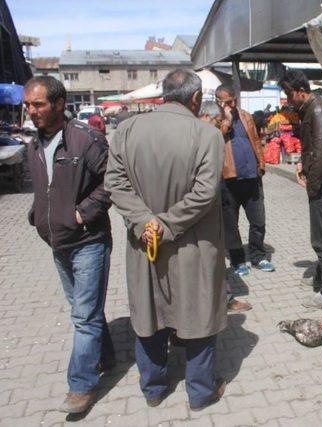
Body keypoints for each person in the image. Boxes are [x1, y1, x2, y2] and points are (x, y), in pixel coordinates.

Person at [105, 69, 227, 411]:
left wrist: (146, 222)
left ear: (163, 95)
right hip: (193, 243)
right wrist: (166, 223)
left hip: (144, 242)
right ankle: (200, 392)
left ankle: (154, 389)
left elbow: (114, 183)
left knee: (149, 311)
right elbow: (205, 194)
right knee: (200, 310)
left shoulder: (127, 130)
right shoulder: (207, 134)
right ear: (194, 98)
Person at [23, 76, 115, 414]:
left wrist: (83, 213)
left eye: (39, 104)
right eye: (28, 105)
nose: (31, 111)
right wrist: (38, 214)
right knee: (84, 309)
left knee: (83, 316)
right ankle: (105, 356)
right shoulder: (34, 144)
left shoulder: (86, 139)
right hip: (57, 241)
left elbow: (114, 180)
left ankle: (81, 385)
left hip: (88, 240)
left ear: (59, 104)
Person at [278, 70, 322, 309]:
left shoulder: (317, 110)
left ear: (301, 91)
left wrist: (312, 187)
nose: (287, 99)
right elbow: (314, 149)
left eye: (288, 93)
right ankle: (321, 277)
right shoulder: (313, 109)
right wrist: (301, 163)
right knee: (321, 238)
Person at [214, 84, 274, 276]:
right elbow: (213, 140)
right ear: (219, 101)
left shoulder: (246, 115)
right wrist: (227, 121)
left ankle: (258, 256)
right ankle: (238, 260)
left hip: (251, 176)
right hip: (228, 180)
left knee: (258, 220)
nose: (233, 104)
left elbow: (256, 141)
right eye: (228, 101)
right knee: (231, 224)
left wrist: (262, 164)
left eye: (235, 100)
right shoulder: (214, 119)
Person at [199, 100, 253, 313]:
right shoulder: (197, 136)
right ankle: (223, 299)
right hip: (202, 207)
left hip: (210, 202)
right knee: (211, 255)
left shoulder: (205, 134)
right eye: (218, 122)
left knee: (214, 255)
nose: (220, 128)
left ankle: (224, 298)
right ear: (206, 117)